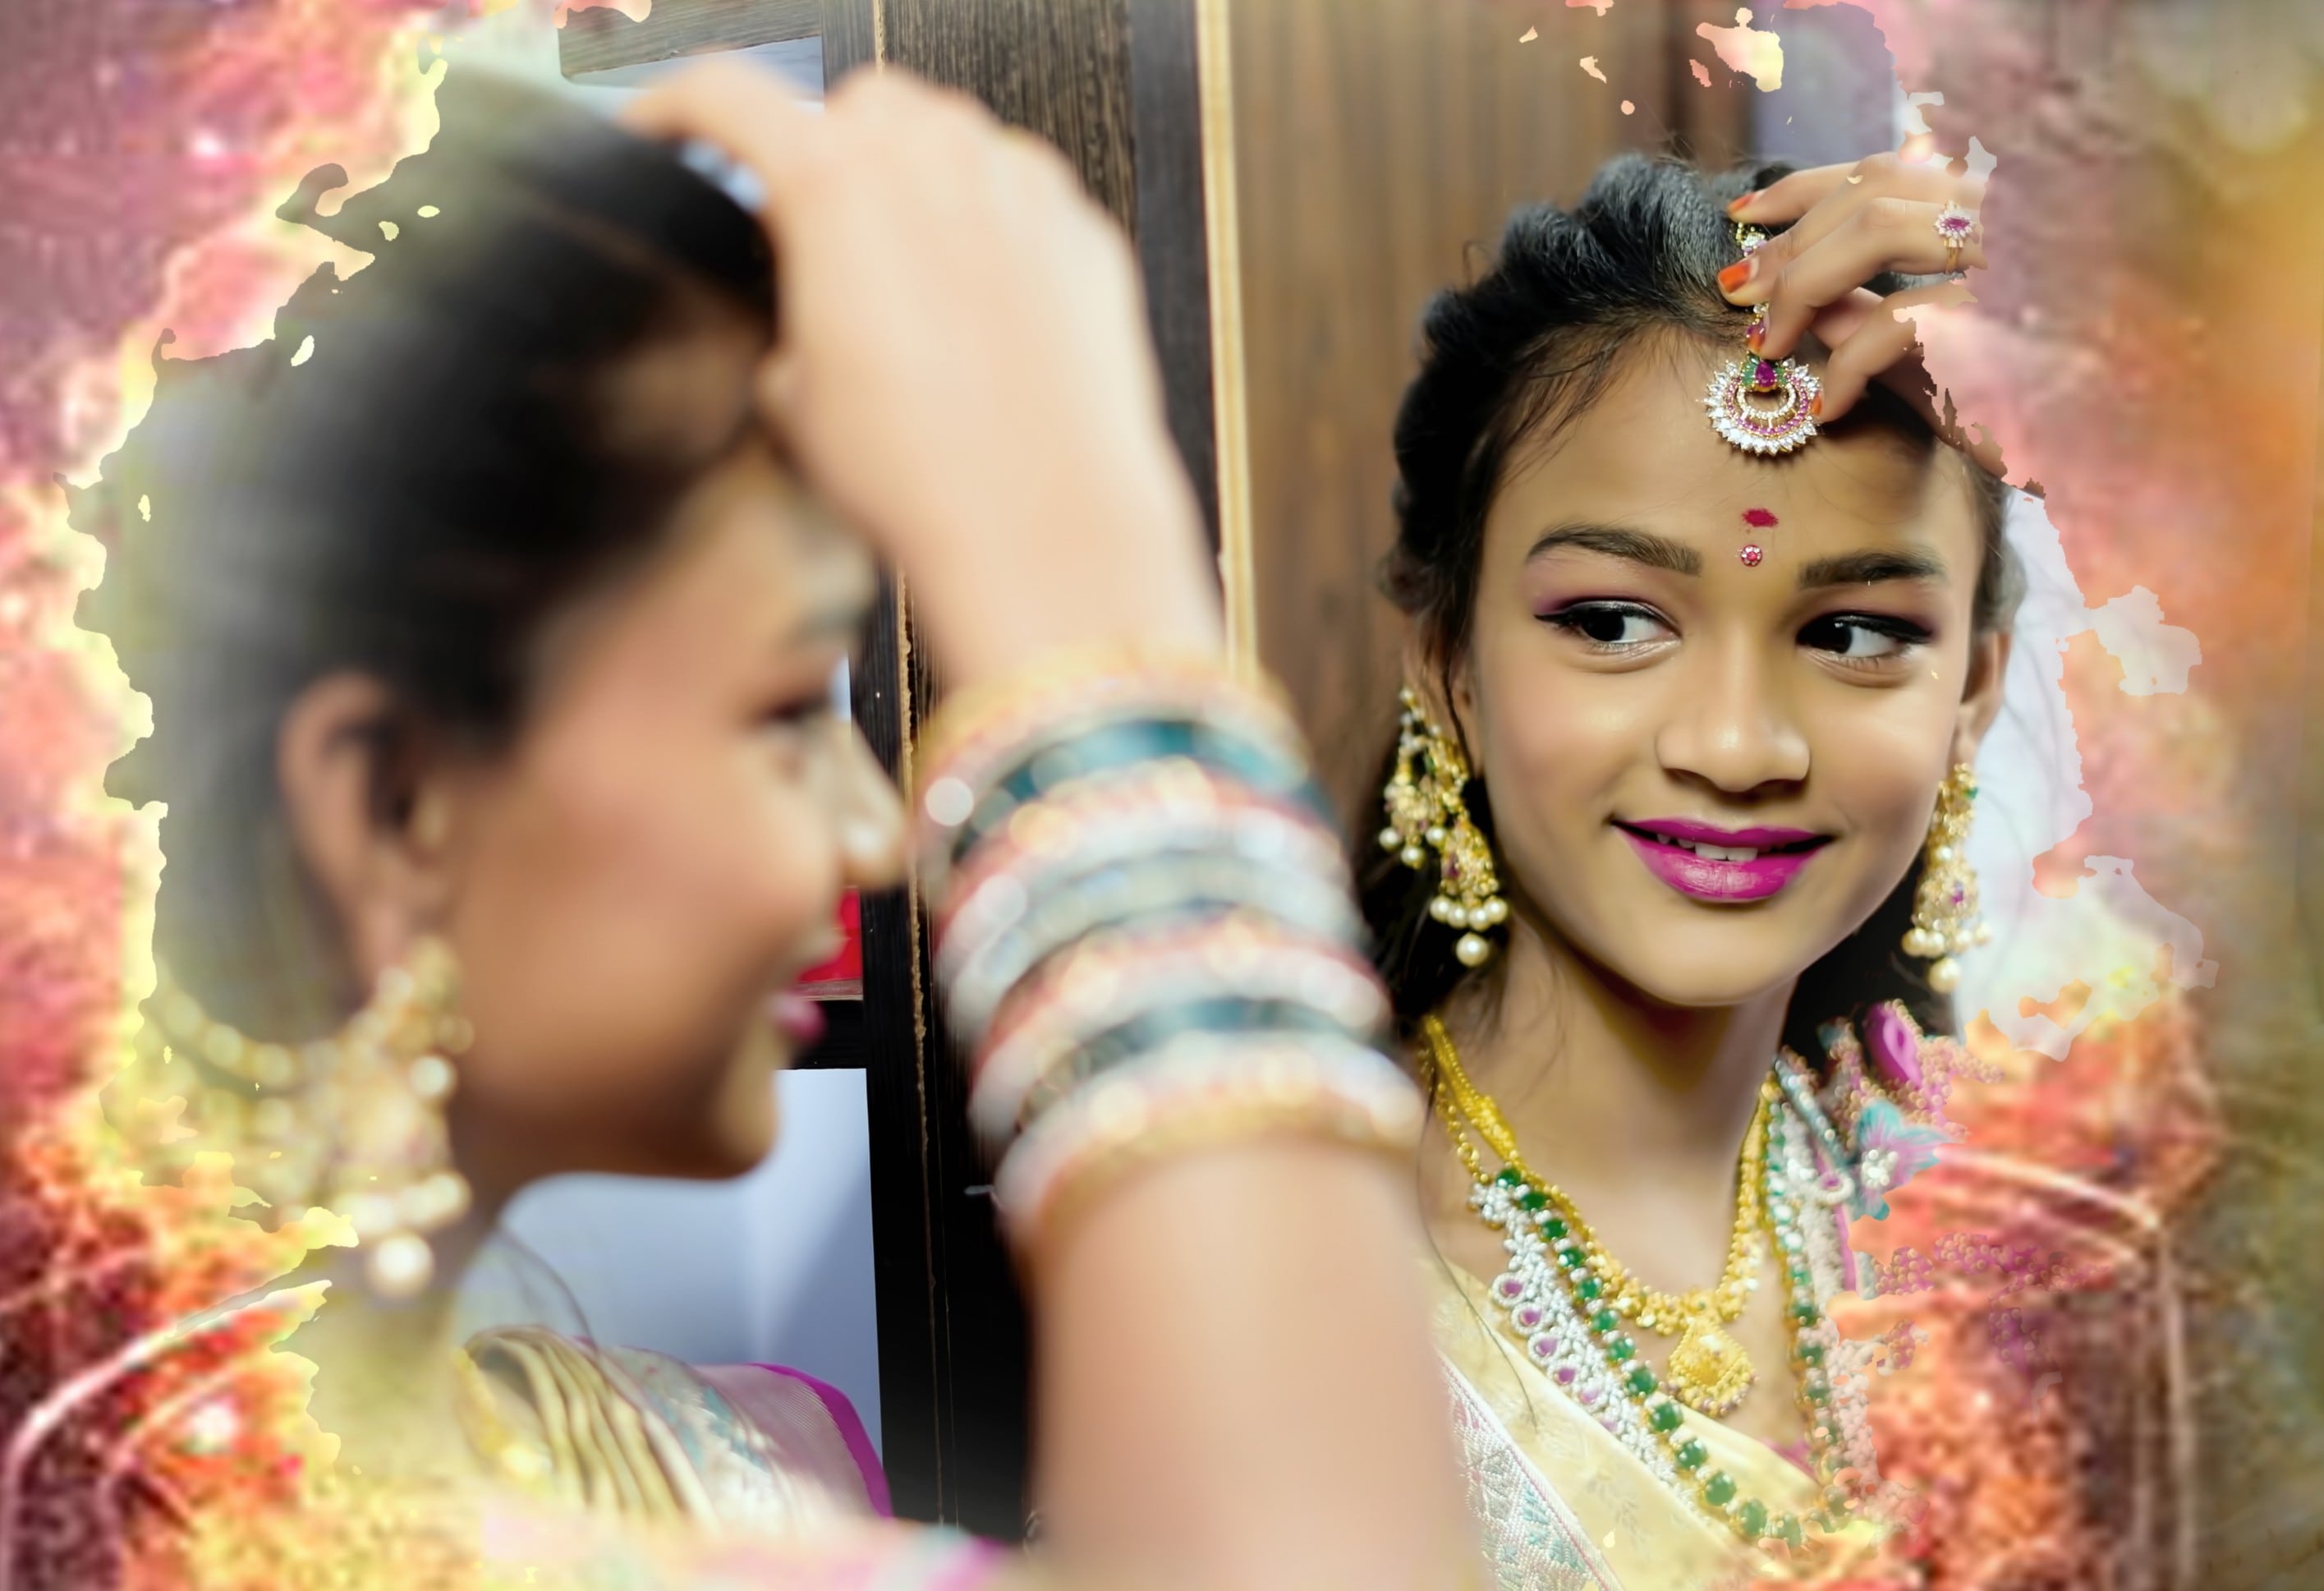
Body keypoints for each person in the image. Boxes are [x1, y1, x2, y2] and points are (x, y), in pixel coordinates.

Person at [71, 62, 1474, 1591]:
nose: (881, 833)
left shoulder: (690, 1475)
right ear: (391, 804)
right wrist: (1091, 614)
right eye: (785, 707)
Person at [1362, 151, 2202, 1587]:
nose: (1739, 746)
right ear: (1448, 666)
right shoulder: (1282, 1293)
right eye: (1617, 620)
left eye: (1852, 634)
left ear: (1974, 692)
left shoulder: (2019, 1257)